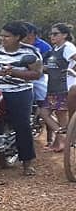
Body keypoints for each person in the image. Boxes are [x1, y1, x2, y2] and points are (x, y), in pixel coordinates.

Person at [0, 21, 43, 176]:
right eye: (1, 35)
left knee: (22, 125)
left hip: (19, 91)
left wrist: (14, 72)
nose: (2, 38)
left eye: (6, 36)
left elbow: (36, 74)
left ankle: (27, 163)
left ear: (18, 37)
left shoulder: (31, 52)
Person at [40, 23, 76, 151]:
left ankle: (64, 141)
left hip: (64, 87)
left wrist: (71, 70)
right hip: (52, 87)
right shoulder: (54, 49)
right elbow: (50, 68)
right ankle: (63, 139)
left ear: (65, 35)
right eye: (51, 34)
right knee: (44, 113)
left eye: (55, 34)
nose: (52, 36)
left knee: (60, 116)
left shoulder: (68, 48)